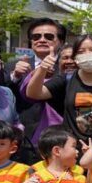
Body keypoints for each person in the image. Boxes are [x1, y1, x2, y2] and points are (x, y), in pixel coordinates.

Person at [8, 18, 67, 154]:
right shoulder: (15, 65)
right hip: (24, 136)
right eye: (36, 37)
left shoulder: (67, 65)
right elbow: (5, 97)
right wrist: (15, 77)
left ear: (61, 42)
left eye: (49, 36)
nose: (41, 40)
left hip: (60, 136)